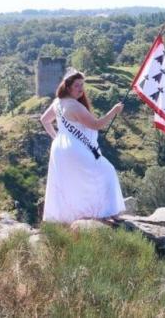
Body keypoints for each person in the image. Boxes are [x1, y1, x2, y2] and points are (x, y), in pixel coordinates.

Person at [39, 67, 126, 224]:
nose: (81, 89)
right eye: (77, 85)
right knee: (106, 171)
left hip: (59, 148)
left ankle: (73, 217)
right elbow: (96, 125)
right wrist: (114, 111)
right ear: (68, 87)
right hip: (74, 149)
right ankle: (105, 212)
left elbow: (44, 120)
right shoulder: (75, 106)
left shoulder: (58, 103)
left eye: (82, 85)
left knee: (71, 182)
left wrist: (56, 138)